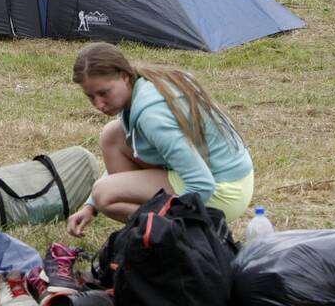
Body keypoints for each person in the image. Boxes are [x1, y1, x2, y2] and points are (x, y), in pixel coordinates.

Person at [65, 42, 254, 237]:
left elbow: (201, 184)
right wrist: (90, 206)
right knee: (112, 135)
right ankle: (154, 233)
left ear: (124, 77)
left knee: (105, 195)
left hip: (225, 190)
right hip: (219, 176)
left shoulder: (151, 116)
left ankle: (180, 237)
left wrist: (181, 225)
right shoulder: (142, 88)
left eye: (104, 93)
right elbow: (132, 146)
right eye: (90, 97)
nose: (98, 104)